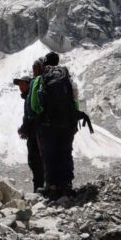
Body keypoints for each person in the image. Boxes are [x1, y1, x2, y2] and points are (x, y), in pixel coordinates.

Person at [32, 51, 93, 199]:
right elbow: (75, 101)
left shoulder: (41, 79)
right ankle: (66, 185)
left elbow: (34, 105)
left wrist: (43, 116)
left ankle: (52, 187)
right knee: (65, 153)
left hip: (48, 125)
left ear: (45, 63)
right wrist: (71, 120)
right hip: (67, 124)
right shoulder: (67, 78)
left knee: (50, 154)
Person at [14, 57, 47, 192]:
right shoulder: (31, 96)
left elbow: (30, 115)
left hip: (36, 135)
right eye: (19, 85)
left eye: (23, 84)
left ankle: (38, 190)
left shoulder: (31, 96)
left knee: (36, 162)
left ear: (29, 84)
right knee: (37, 162)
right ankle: (43, 188)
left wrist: (25, 128)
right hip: (37, 133)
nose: (20, 87)